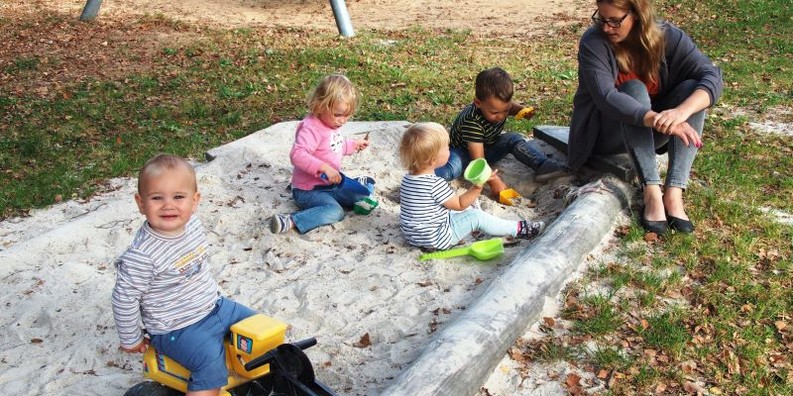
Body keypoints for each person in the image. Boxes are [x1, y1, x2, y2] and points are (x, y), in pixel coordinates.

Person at [568, 0, 722, 235]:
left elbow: (711, 76)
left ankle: (674, 193)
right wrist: (654, 118)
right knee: (633, 89)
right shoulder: (594, 42)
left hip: (652, 130)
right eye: (601, 18)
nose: (607, 28)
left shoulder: (669, 37)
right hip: (603, 135)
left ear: (638, 15)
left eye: (615, 21)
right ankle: (651, 191)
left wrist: (680, 113)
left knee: (693, 91)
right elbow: (606, 96)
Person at [112, 154, 257, 396]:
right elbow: (123, 298)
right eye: (157, 198)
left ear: (194, 200)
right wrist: (132, 339)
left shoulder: (193, 226)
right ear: (140, 203)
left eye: (178, 197)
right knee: (210, 365)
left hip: (216, 306)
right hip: (177, 327)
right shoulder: (142, 255)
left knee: (260, 331)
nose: (168, 205)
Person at [400, 122, 546, 250]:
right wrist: (477, 186)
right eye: (446, 148)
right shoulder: (434, 184)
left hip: (413, 236)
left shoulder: (408, 179)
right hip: (437, 238)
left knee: (466, 208)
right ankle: (520, 229)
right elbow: (459, 204)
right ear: (432, 160)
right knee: (475, 216)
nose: (449, 150)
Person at [434, 67, 568, 199]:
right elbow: (478, 160)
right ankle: (425, 176)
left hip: (488, 146)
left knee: (513, 138)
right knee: (452, 169)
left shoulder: (498, 106)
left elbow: (510, 108)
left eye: (506, 110)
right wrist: (494, 181)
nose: (501, 116)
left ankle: (542, 165)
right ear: (478, 103)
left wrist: (522, 110)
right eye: (495, 113)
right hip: (464, 153)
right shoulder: (472, 121)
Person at [270, 74, 375, 234]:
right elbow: (297, 154)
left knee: (362, 197)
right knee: (335, 212)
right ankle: (291, 220)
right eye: (338, 114)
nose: (342, 120)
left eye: (347, 115)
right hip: (309, 190)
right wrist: (323, 167)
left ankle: (356, 183)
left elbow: (335, 146)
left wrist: (354, 145)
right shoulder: (311, 128)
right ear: (320, 105)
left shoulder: (331, 124)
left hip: (332, 184)